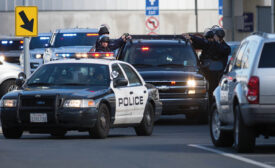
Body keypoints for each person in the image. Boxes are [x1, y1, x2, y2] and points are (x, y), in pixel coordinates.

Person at [184, 26, 231, 100]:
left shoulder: (224, 47)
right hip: (207, 74)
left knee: (214, 96)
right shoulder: (211, 45)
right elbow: (201, 44)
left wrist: (192, 37)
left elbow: (207, 43)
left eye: (213, 36)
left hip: (217, 77)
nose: (210, 39)